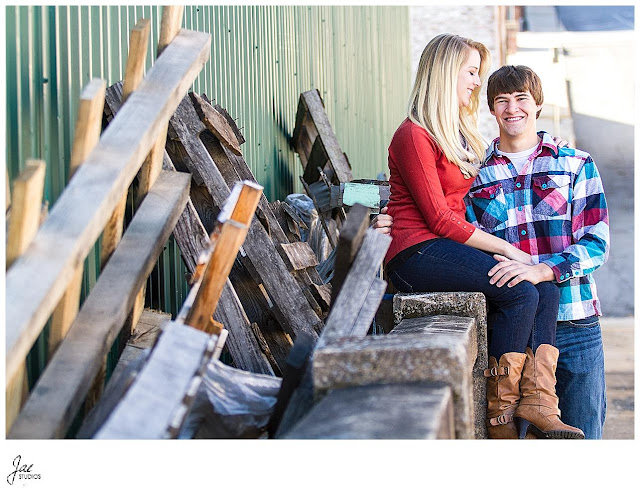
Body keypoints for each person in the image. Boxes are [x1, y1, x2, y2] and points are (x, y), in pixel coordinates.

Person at [377, 55, 610, 439]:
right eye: (502, 100)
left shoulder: (575, 163)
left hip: (574, 317)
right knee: (520, 448)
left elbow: (597, 242)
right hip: (514, 326)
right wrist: (388, 216)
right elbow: (445, 218)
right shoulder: (474, 169)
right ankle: (507, 418)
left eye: (521, 98)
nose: (512, 108)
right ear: (490, 109)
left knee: (584, 436)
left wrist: (541, 270)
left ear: (538, 103)